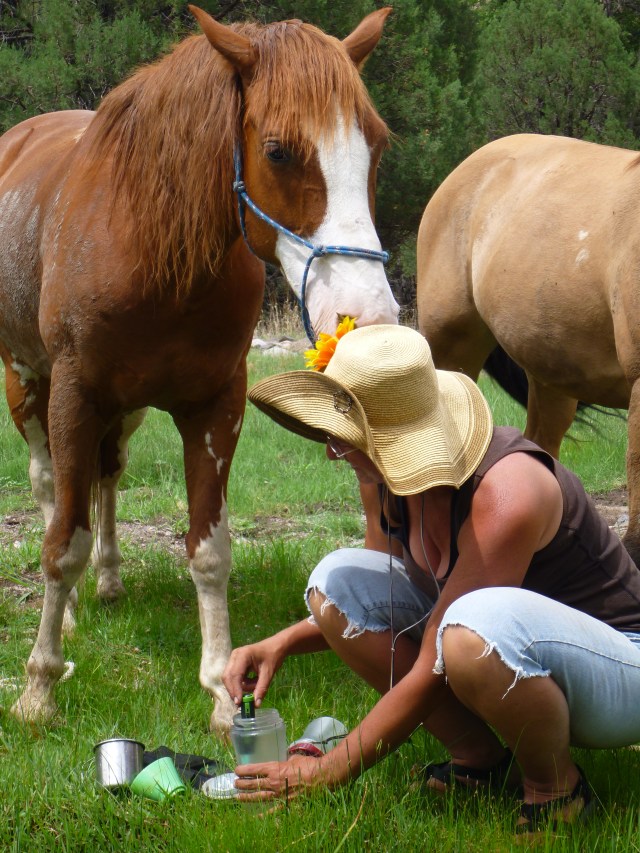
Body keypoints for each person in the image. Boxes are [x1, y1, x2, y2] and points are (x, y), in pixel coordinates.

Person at [223, 324, 640, 834]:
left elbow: (438, 658)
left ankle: (556, 791)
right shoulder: (386, 479)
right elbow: (388, 607)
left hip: (620, 669)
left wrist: (331, 770)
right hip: (508, 647)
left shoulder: (509, 490)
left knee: (467, 633)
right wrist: (282, 642)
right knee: (334, 585)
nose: (332, 450)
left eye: (349, 438)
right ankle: (480, 761)